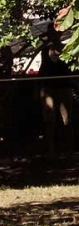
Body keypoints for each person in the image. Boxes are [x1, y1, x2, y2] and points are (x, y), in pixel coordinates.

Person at [38, 22, 74, 159]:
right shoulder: (44, 51)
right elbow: (42, 69)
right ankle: (51, 151)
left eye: (54, 33)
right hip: (48, 88)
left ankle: (69, 151)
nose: (52, 36)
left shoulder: (67, 49)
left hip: (64, 87)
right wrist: (38, 87)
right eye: (50, 33)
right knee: (49, 120)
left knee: (67, 120)